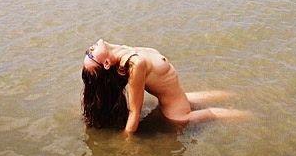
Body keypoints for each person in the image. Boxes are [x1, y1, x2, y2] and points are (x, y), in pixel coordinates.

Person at [81, 39, 249, 133]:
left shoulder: (123, 51)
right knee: (215, 114)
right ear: (106, 63)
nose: (90, 50)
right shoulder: (135, 64)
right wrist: (126, 142)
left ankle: (249, 94)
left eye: (88, 53)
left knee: (232, 94)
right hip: (176, 113)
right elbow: (134, 111)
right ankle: (255, 117)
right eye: (91, 55)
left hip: (179, 96)